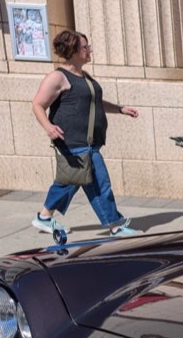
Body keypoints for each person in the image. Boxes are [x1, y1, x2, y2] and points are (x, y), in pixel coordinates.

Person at [30, 30, 141, 237]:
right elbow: (37, 104)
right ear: (72, 50)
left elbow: (94, 103)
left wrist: (120, 109)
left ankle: (44, 217)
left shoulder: (84, 76)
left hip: (88, 141)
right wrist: (48, 127)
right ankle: (115, 226)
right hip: (73, 140)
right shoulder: (58, 77)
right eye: (85, 47)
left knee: (71, 181)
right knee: (99, 182)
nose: (89, 50)